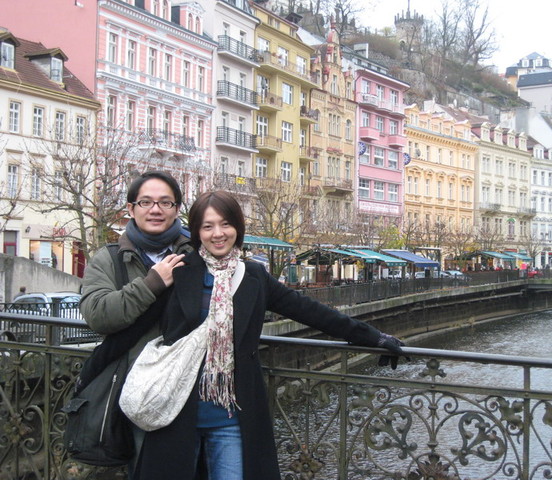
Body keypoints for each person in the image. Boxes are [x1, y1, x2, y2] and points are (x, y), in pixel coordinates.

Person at [135, 191, 406, 480]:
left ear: (237, 227)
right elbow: (135, 326)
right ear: (197, 232)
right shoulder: (178, 272)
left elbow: (310, 311)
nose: (218, 234)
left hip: (232, 416)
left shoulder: (253, 276)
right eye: (207, 226)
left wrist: (373, 337)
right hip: (177, 412)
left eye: (225, 224)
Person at [79, 170, 192, 473]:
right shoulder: (109, 258)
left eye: (165, 202)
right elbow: (97, 314)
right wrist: (151, 284)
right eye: (146, 202)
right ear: (131, 208)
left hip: (190, 390)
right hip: (135, 392)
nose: (156, 210)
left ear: (177, 209)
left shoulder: (196, 254)